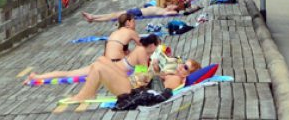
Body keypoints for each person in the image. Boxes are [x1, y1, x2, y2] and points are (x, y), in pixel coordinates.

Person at [24, 31, 159, 84]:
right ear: (152, 45)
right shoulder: (141, 51)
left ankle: (36, 77)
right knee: (68, 74)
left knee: (69, 73)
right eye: (156, 47)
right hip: (105, 68)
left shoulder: (140, 50)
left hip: (106, 66)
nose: (156, 50)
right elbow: (143, 76)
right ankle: (36, 77)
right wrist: (155, 66)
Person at [68, 56, 201, 101]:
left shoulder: (176, 80)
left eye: (185, 67)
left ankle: (84, 95)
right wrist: (156, 71)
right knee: (102, 60)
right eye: (183, 64)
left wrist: (156, 76)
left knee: (98, 67)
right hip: (131, 81)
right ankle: (90, 92)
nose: (180, 66)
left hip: (130, 89)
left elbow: (159, 92)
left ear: (188, 75)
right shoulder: (173, 75)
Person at [82, 5, 180, 23]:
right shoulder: (163, 8)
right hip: (137, 11)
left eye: (173, 6)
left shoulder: (165, 11)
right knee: (114, 15)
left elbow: (175, 13)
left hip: (138, 13)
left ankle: (93, 18)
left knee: (114, 16)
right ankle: (93, 17)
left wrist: (176, 9)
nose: (171, 6)